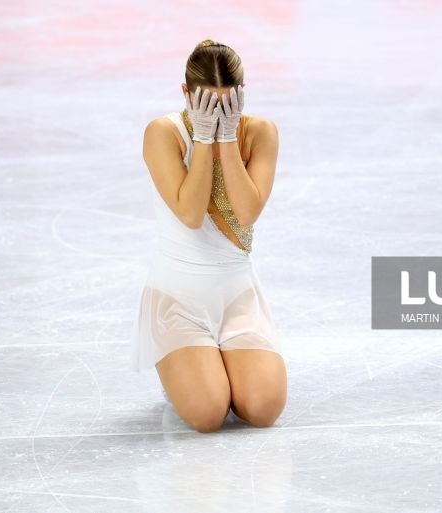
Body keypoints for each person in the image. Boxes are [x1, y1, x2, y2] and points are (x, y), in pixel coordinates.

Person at [130, 39, 287, 433]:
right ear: (186, 93)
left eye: (228, 101)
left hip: (236, 295)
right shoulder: (162, 134)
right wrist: (202, 138)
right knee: (207, 414)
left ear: (242, 93)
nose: (217, 111)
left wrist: (227, 137)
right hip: (178, 297)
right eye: (207, 102)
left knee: (263, 408)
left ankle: (216, 363)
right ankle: (186, 369)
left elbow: (247, 212)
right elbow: (190, 213)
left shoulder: (260, 133)